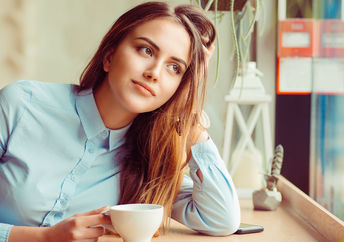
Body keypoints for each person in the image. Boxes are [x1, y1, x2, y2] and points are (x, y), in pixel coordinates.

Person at [0, 1, 240, 241]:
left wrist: (190, 110)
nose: (154, 73)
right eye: (146, 50)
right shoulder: (21, 104)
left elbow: (221, 218)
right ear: (109, 55)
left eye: (174, 68)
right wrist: (43, 238)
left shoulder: (150, 161)